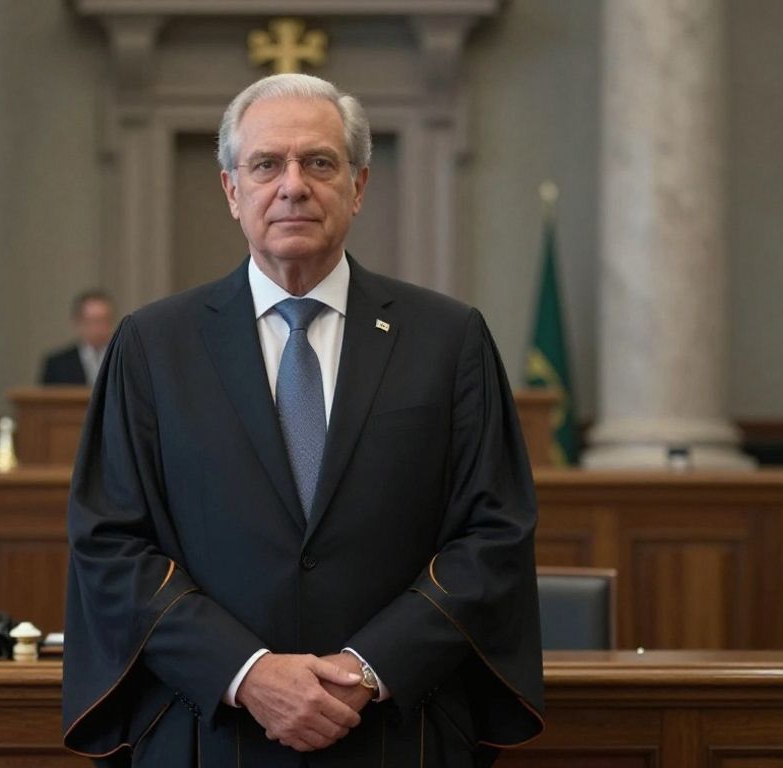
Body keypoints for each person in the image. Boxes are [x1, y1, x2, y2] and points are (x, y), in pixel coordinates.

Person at [62, 73, 543, 767]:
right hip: (208, 732)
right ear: (232, 190)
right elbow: (109, 542)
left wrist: (365, 668)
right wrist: (247, 671)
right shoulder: (152, 346)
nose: (293, 185)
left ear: (358, 187)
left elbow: (495, 533)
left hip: (396, 731)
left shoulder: (449, 339)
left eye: (319, 162)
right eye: (266, 164)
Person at [40, 290, 115, 387]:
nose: (97, 327)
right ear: (78, 322)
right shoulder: (57, 365)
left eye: (103, 320)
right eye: (92, 321)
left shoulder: (123, 361)